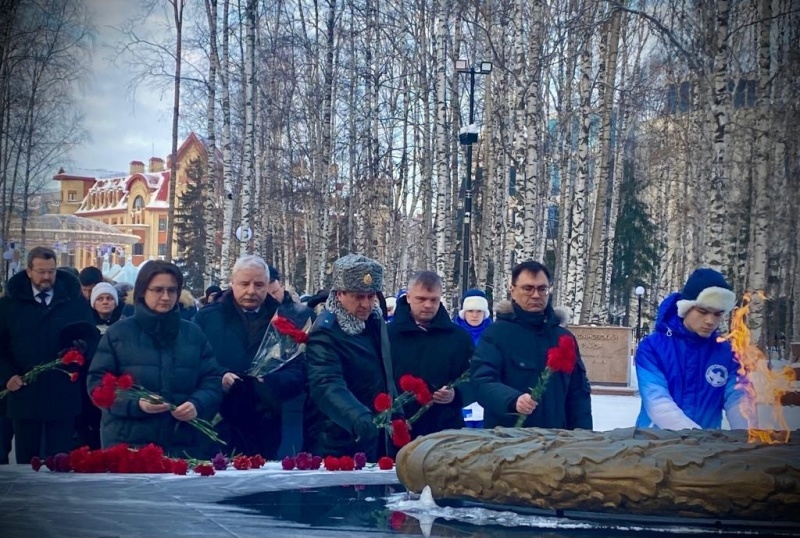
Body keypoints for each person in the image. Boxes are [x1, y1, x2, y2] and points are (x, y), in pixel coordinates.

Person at [87, 261, 222, 458]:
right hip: (128, 446)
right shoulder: (119, 333)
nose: (166, 297)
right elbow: (97, 385)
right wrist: (136, 404)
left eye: (172, 290)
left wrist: (197, 404)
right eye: (158, 290)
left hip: (183, 444)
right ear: (143, 291)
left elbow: (211, 380)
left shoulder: (192, 334)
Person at [193, 256, 308, 458]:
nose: (251, 291)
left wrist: (268, 383)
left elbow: (299, 369)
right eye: (244, 284)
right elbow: (192, 360)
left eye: (259, 284)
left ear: (268, 286)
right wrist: (221, 376)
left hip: (264, 420)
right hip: (216, 419)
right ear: (232, 283)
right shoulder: (207, 318)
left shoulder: (284, 319)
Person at [0, 247, 98, 463]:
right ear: (29, 271)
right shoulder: (9, 305)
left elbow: (91, 338)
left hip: (62, 392)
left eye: (51, 271)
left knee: (60, 461)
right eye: (41, 271)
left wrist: (82, 348)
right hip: (24, 393)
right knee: (28, 464)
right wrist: (7, 376)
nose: (46, 277)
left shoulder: (73, 302)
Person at [471, 260, 593, 429]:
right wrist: (513, 400)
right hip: (508, 440)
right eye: (528, 288)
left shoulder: (564, 338)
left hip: (556, 440)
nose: (536, 295)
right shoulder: (496, 334)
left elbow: (578, 394)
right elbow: (481, 382)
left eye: (542, 289)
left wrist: (583, 436)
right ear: (513, 291)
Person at [635, 268, 751, 430]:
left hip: (707, 450)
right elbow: (658, 403)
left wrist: (748, 441)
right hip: (655, 444)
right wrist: (697, 439)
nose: (710, 321)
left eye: (718, 314)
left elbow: (739, 403)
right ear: (686, 308)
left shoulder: (728, 353)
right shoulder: (652, 348)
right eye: (703, 311)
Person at [303, 254, 394, 460]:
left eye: (371, 296)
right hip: (336, 440)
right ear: (339, 294)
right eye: (358, 297)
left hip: (370, 434)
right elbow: (326, 384)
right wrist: (359, 418)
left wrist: (395, 414)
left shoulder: (374, 322)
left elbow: (385, 374)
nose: (366, 304)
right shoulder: (326, 331)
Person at [387, 271, 474, 440]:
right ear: (408, 297)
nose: (428, 305)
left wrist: (456, 394)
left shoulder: (458, 337)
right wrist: (393, 416)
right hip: (401, 429)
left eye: (433, 300)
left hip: (446, 430)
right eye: (421, 299)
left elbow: (476, 376)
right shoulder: (388, 336)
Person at [262, 264, 315, 457]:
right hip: (262, 397)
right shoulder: (257, 315)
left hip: (294, 392)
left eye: (275, 291)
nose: (273, 297)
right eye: (267, 294)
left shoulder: (302, 314)